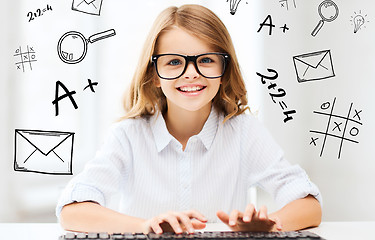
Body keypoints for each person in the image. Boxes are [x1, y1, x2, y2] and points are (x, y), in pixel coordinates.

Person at [56, 4, 322, 235]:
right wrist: (147, 226)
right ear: (155, 74)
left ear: (223, 68)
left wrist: (271, 224)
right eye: (174, 62)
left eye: (206, 60)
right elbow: (72, 211)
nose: (191, 73)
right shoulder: (128, 135)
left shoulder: (243, 131)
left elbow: (309, 205)